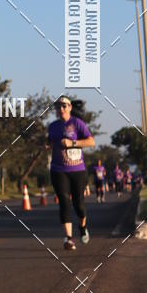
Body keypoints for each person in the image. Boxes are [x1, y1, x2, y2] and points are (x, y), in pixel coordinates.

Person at [48, 96, 95, 250]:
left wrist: (72, 143)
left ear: (69, 107)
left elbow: (91, 141)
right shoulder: (52, 126)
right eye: (57, 106)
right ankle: (68, 238)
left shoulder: (77, 123)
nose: (60, 108)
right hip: (58, 170)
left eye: (63, 105)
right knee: (64, 201)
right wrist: (47, 146)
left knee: (79, 205)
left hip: (77, 170)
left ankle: (82, 227)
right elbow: (49, 142)